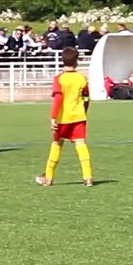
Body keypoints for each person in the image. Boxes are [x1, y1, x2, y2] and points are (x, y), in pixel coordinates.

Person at [35, 47, 93, 187]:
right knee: (81, 144)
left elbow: (58, 99)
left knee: (57, 144)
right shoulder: (81, 78)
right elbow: (86, 97)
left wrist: (53, 117)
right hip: (79, 116)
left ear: (62, 61)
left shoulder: (59, 79)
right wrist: (84, 110)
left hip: (63, 118)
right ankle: (88, 177)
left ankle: (48, 177)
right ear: (77, 61)